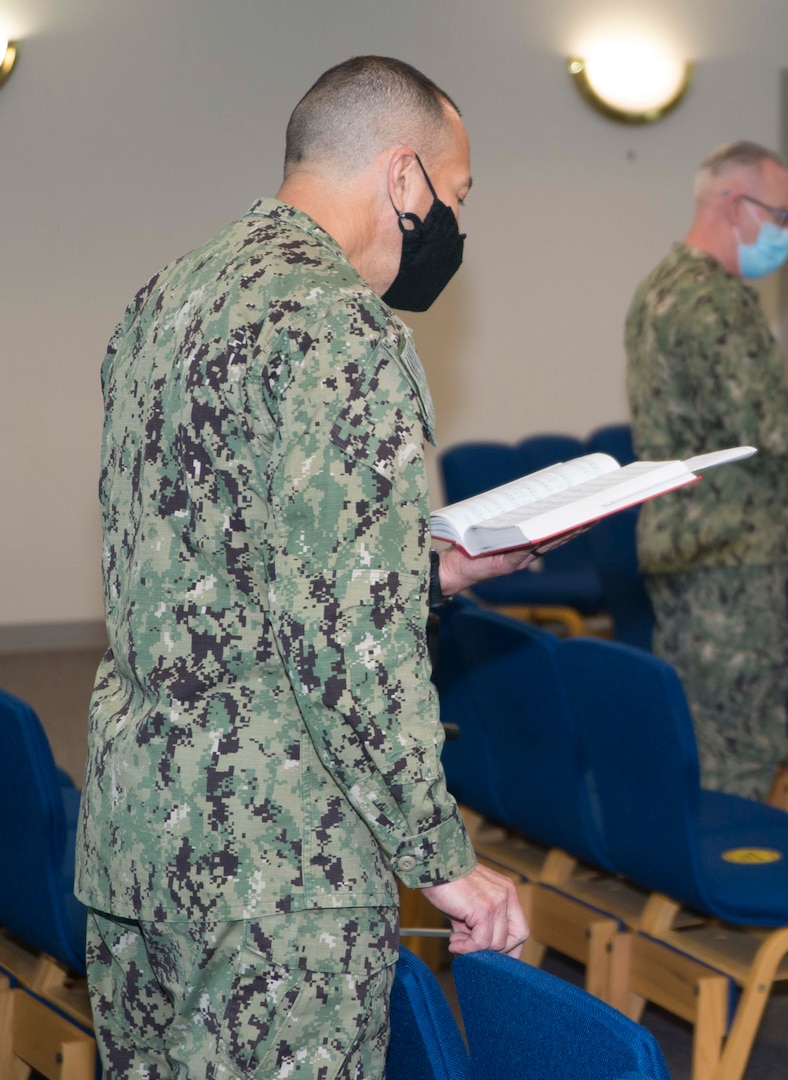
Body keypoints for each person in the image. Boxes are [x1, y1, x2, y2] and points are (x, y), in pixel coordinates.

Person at [80, 56, 534, 1077]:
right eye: (457, 196)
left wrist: (432, 575)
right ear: (405, 176)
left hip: (142, 835)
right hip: (276, 865)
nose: (455, 225)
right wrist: (442, 861)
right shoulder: (337, 325)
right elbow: (351, 649)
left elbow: (205, 568)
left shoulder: (173, 293)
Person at [626, 141, 788, 800]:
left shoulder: (660, 287)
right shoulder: (718, 301)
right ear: (733, 204)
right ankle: (733, 885)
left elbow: (724, 417)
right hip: (732, 552)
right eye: (781, 215)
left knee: (693, 725)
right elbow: (772, 434)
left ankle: (695, 873)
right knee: (741, 742)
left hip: (686, 541)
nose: (785, 233)